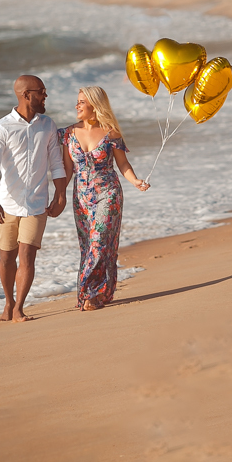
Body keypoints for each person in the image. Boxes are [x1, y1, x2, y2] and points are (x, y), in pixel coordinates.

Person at [0, 75, 68, 322]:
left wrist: (61, 194)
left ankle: (20, 307)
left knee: (28, 255)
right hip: (8, 203)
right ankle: (8, 303)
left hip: (37, 202)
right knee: (7, 257)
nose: (45, 96)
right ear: (26, 95)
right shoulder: (2, 127)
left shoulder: (48, 125)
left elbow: (56, 163)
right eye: (41, 91)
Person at [59, 86, 149, 311]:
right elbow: (67, 170)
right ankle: (102, 292)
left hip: (108, 193)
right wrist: (58, 196)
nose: (77, 106)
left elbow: (123, 164)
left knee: (99, 243)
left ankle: (90, 292)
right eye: (77, 101)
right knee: (89, 246)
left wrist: (135, 181)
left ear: (94, 105)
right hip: (81, 198)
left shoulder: (111, 133)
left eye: (82, 102)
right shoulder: (68, 134)